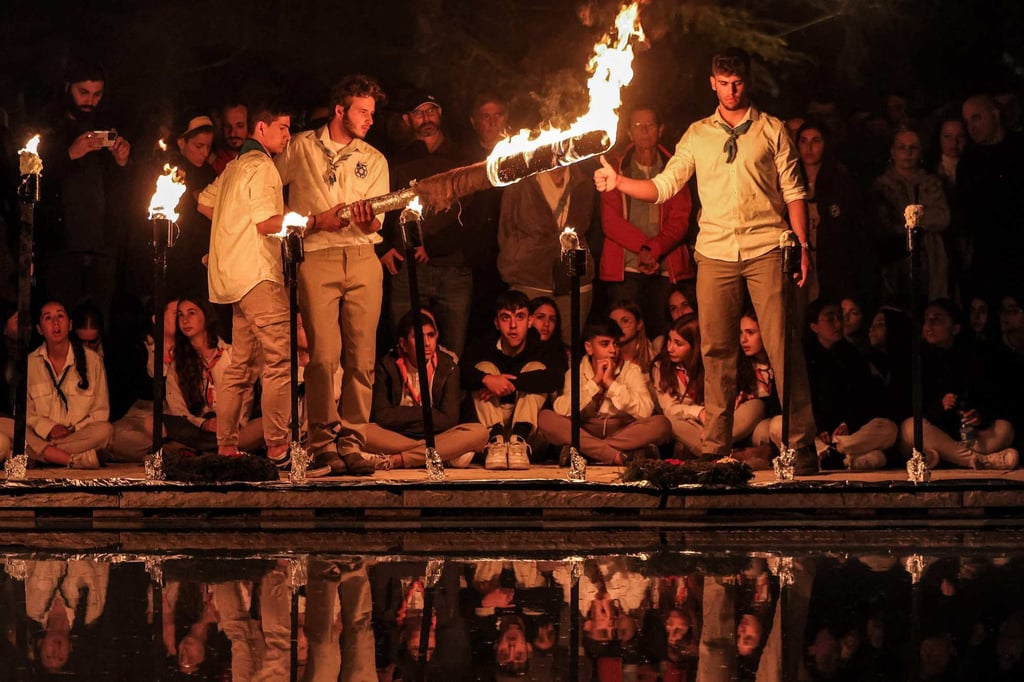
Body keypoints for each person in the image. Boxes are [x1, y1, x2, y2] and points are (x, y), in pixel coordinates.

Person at [593, 47, 818, 473]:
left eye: (737, 83)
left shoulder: (771, 130)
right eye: (723, 83)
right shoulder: (697, 134)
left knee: (782, 346)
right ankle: (716, 449)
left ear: (745, 82)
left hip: (766, 246)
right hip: (715, 251)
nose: (731, 91)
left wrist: (802, 247)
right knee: (715, 349)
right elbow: (663, 186)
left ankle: (802, 445)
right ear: (712, 83)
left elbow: (794, 192)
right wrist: (619, 182)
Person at [275, 75, 389, 476]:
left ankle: (353, 440)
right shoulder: (301, 147)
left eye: (372, 113)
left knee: (362, 357)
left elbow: (377, 222)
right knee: (323, 356)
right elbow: (272, 188)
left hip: (361, 257)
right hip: (317, 256)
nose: (369, 120)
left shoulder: (374, 159)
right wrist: (306, 223)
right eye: (362, 112)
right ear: (339, 110)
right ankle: (322, 441)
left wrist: (369, 217)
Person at [198, 102, 294, 468]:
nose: (287, 135)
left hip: (234, 278)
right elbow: (267, 223)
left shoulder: (233, 167)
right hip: (258, 274)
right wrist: (307, 221)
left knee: (240, 365)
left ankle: (226, 445)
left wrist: (230, 230)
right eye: (282, 127)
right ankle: (279, 449)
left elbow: (206, 205)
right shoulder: (260, 166)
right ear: (261, 129)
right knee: (279, 361)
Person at [36, 59, 131, 326]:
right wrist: (69, 155)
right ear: (68, 88)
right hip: (62, 249)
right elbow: (31, 180)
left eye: (97, 94)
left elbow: (123, 191)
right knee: (60, 325)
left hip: (103, 248)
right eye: (84, 92)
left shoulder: (107, 125)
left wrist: (122, 161)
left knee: (100, 325)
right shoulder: (49, 128)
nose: (91, 100)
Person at [381, 91, 474, 357]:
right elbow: (384, 207)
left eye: (430, 110)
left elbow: (471, 210)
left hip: (453, 268)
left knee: (453, 352)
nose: (426, 118)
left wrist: (434, 245)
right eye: (418, 113)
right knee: (405, 348)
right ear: (407, 119)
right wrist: (384, 247)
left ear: (440, 113)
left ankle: (447, 399)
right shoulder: (397, 161)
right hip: (407, 267)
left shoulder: (463, 159)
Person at [599, 105, 694, 337]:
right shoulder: (616, 167)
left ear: (660, 129)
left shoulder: (676, 167)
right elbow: (610, 221)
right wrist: (643, 248)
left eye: (650, 125)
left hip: (665, 268)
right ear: (629, 132)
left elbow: (680, 220)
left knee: (665, 334)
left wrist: (654, 249)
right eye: (637, 126)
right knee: (625, 336)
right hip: (626, 268)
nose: (644, 131)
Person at [898, 298, 1017, 470]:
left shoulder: (970, 358)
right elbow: (907, 405)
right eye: (927, 319)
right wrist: (940, 406)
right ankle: (979, 461)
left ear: (955, 328)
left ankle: (947, 458)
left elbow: (988, 397)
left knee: (1004, 429)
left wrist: (978, 416)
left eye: (937, 319)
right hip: (933, 432)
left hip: (960, 436)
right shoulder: (917, 359)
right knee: (910, 427)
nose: (930, 324)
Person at [365, 311, 488, 470]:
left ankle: (399, 460)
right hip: (398, 436)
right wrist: (425, 413)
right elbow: (382, 415)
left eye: (431, 336)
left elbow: (448, 419)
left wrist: (404, 414)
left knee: (479, 432)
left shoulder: (448, 366)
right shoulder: (387, 365)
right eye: (418, 337)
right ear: (403, 344)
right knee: (363, 432)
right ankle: (443, 454)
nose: (427, 343)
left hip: (438, 435)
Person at [538, 318, 671, 465]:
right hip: (585, 430)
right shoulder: (576, 372)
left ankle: (588, 452)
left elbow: (645, 411)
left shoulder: (631, 370)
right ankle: (613, 454)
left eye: (615, 344)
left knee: (662, 423)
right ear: (589, 347)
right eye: (605, 344)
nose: (613, 350)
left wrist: (611, 384)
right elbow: (562, 410)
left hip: (622, 431)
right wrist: (594, 382)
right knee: (545, 417)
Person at [461, 290, 563, 470]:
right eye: (506, 318)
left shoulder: (541, 348)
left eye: (520, 317)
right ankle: (496, 441)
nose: (513, 325)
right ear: (497, 323)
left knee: (536, 368)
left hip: (529, 436)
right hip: (489, 430)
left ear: (530, 321)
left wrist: (507, 384)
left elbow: (554, 378)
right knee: (484, 368)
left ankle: (518, 440)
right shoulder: (483, 345)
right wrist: (488, 380)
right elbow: (461, 373)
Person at [499, 163, 597, 347]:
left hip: (575, 278)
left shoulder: (583, 181)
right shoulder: (521, 181)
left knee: (569, 347)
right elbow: (506, 228)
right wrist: (515, 260)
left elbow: (587, 225)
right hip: (529, 276)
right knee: (526, 346)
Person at [164, 296, 271, 460]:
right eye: (180, 315)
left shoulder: (230, 354)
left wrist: (228, 424)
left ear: (206, 315)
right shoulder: (179, 363)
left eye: (191, 313)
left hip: (233, 429)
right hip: (197, 429)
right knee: (157, 424)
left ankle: (204, 450)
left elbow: (245, 395)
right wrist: (203, 423)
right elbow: (177, 407)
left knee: (267, 423)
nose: (185, 320)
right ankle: (211, 450)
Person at [25, 300, 112, 468]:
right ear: (39, 329)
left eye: (60, 316)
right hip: (43, 436)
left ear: (70, 325)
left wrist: (73, 429)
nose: (55, 323)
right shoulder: (30, 363)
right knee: (20, 432)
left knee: (105, 431)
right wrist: (49, 428)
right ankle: (75, 459)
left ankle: (46, 455)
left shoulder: (93, 361)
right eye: (48, 318)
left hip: (76, 436)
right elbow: (27, 414)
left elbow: (101, 412)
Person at [872, 124, 951, 302]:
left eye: (913, 148)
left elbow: (942, 216)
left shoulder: (931, 183)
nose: (907, 153)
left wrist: (911, 218)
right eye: (902, 147)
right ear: (892, 151)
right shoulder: (882, 186)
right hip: (896, 257)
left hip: (930, 257)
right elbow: (885, 223)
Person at [168, 115, 217, 297]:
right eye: (199, 146)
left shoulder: (209, 172)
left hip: (202, 254)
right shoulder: (171, 171)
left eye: (208, 147)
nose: (205, 153)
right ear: (182, 142)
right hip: (177, 254)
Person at [609, 300, 657, 374]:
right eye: (614, 323)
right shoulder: (600, 357)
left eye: (625, 321)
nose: (618, 327)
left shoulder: (653, 360)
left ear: (639, 324)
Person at [210, 102, 248, 175]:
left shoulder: (261, 160)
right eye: (227, 126)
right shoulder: (211, 161)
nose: (233, 133)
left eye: (240, 126)